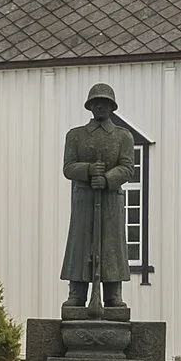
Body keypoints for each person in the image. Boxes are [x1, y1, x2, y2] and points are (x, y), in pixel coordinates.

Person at [60, 84, 139, 319]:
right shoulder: (75, 135)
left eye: (104, 102)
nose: (100, 106)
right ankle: (77, 292)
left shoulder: (123, 136)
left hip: (110, 202)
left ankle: (113, 293)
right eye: (96, 102)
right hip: (84, 201)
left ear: (112, 107)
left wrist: (107, 179)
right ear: (90, 106)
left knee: (112, 246)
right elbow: (68, 168)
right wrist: (87, 170)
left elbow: (128, 168)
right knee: (80, 244)